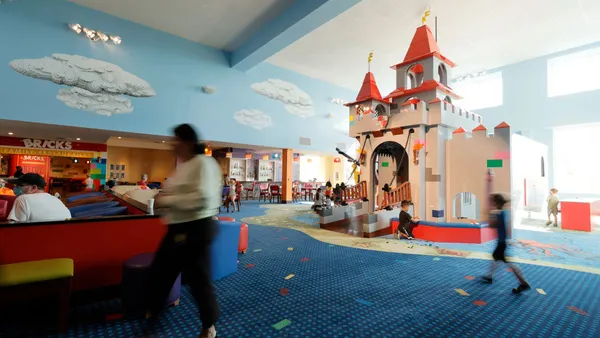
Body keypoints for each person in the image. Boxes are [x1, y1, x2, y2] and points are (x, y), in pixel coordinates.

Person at [145, 124, 222, 338]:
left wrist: (167, 200)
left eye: (176, 140)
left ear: (187, 142)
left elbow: (203, 198)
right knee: (161, 272)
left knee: (199, 279)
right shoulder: (184, 165)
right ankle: (153, 317)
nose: (173, 144)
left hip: (197, 227)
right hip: (178, 228)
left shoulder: (204, 163)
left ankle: (209, 326)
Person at [481, 193, 531, 294]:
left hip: (502, 242)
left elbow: (492, 225)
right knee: (496, 257)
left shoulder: (500, 213)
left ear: (496, 203)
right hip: (502, 241)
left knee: (508, 262)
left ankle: (524, 282)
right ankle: (490, 276)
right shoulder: (504, 212)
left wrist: (489, 214)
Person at [6, 173, 71, 222]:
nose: (15, 188)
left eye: (20, 185)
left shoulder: (23, 199)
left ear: (34, 187)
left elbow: (15, 229)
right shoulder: (56, 200)